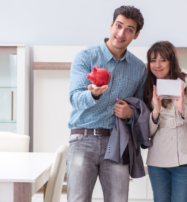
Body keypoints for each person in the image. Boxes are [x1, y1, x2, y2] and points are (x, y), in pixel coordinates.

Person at [67, 5, 146, 202]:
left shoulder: (139, 68)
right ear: (111, 25)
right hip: (82, 140)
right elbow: (74, 98)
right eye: (118, 26)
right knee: (77, 199)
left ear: (135, 35)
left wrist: (130, 113)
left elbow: (140, 108)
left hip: (117, 143)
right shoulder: (86, 57)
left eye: (129, 29)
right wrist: (92, 95)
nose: (121, 33)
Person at [143, 41, 187, 202]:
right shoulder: (147, 85)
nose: (157, 65)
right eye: (153, 60)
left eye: (163, 60)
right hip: (157, 160)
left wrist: (184, 110)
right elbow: (145, 133)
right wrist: (156, 111)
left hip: (186, 158)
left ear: (172, 61)